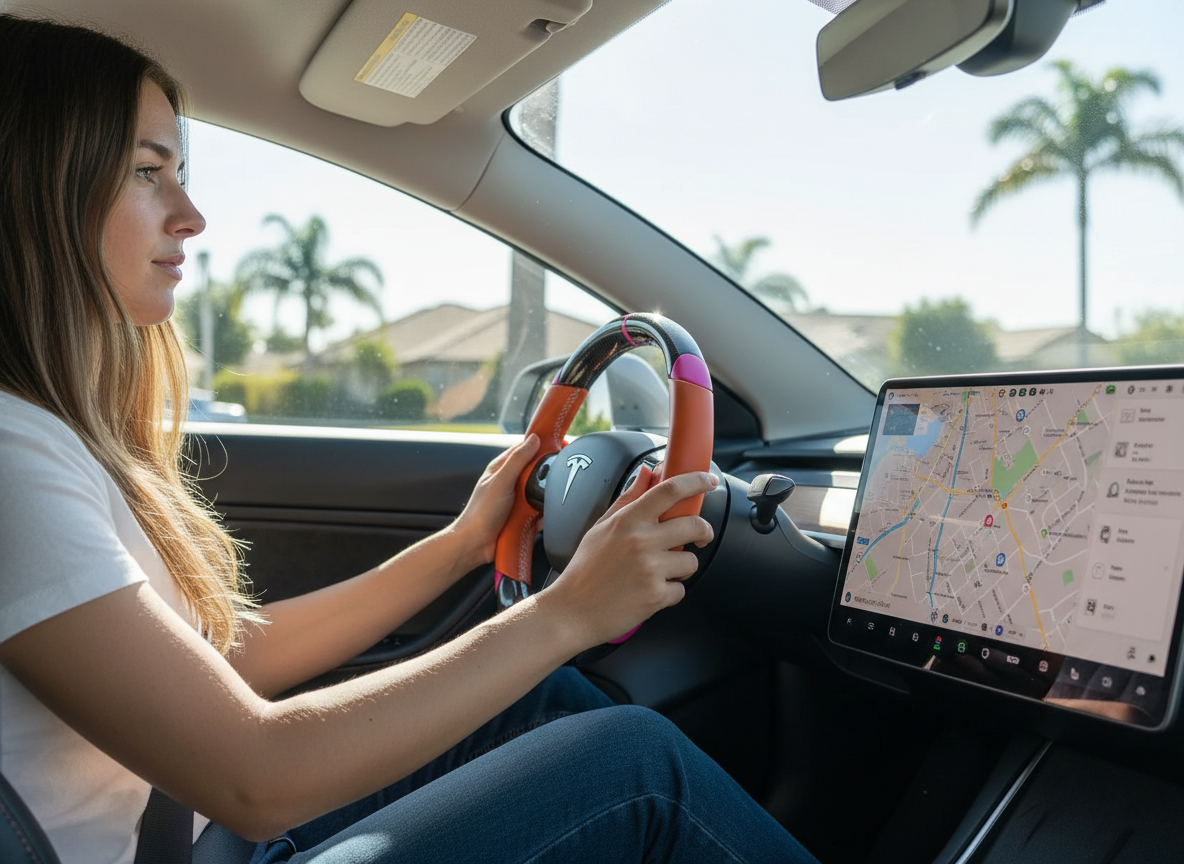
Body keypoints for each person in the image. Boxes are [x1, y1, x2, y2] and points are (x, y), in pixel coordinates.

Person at [0, 13, 817, 864]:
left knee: (543, 704)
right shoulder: (11, 459)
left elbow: (222, 661)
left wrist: (463, 545)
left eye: (180, 174)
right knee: (641, 771)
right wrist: (569, 612)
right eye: (147, 172)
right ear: (32, 188)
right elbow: (254, 776)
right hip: (204, 837)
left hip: (202, 838)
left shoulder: (44, 435)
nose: (191, 215)